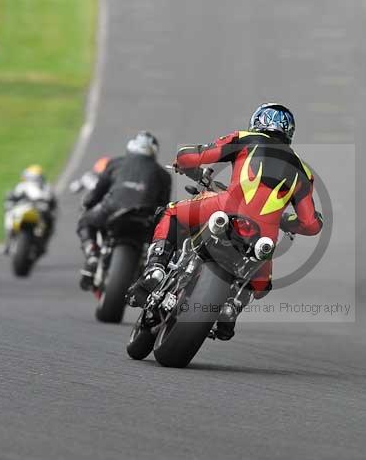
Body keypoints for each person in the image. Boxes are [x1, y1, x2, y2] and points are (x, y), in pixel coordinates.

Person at [128, 103, 323, 340]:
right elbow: (311, 223)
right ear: (289, 132)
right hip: (263, 235)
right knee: (261, 284)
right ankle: (231, 309)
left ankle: (156, 268)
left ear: (257, 122)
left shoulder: (245, 138)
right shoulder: (303, 171)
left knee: (171, 213)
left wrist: (183, 160)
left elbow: (194, 155)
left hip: (225, 208)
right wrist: (287, 222)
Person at [77, 131, 172, 290]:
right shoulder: (163, 175)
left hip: (112, 208)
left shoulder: (115, 163)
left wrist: (88, 204)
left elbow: (97, 193)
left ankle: (92, 252)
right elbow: (163, 207)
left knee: (85, 221)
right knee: (160, 239)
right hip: (145, 216)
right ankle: (151, 267)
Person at [4, 165, 58, 252]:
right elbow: (11, 198)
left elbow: (52, 203)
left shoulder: (45, 187)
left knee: (49, 221)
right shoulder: (22, 186)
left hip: (39, 213)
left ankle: (41, 241)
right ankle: (9, 239)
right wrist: (9, 203)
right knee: (10, 215)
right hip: (23, 211)